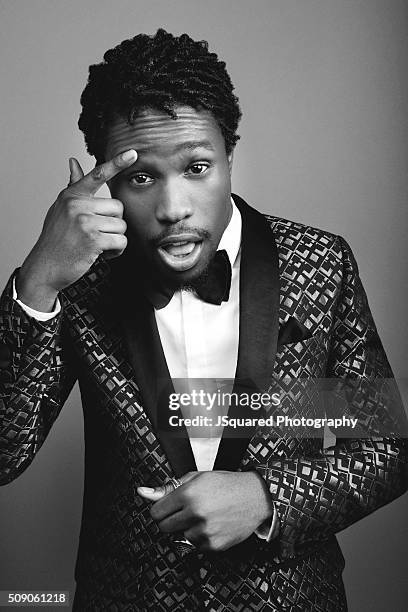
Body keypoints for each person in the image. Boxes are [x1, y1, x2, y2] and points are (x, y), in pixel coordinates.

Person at [0, 28, 406, 611]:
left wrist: (268, 498)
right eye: (142, 177)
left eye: (197, 167)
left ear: (230, 154)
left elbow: (386, 446)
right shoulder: (80, 281)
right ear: (105, 177)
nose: (173, 209)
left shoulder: (321, 263)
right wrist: (38, 278)